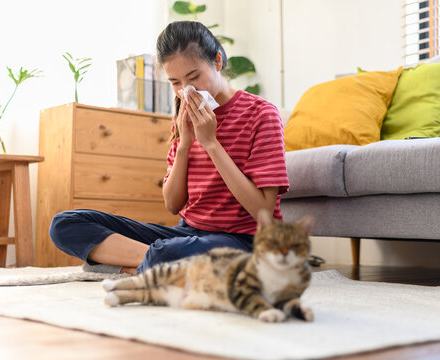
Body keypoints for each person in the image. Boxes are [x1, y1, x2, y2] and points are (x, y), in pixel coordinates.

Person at [49, 21, 289, 275]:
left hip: (243, 240)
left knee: (170, 251)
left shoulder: (261, 114)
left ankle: (141, 264)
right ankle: (157, 265)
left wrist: (211, 144)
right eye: (175, 82)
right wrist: (185, 144)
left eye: (194, 76)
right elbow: (173, 205)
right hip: (187, 234)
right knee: (65, 224)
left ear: (217, 61)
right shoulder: (183, 116)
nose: (186, 90)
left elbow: (264, 212)